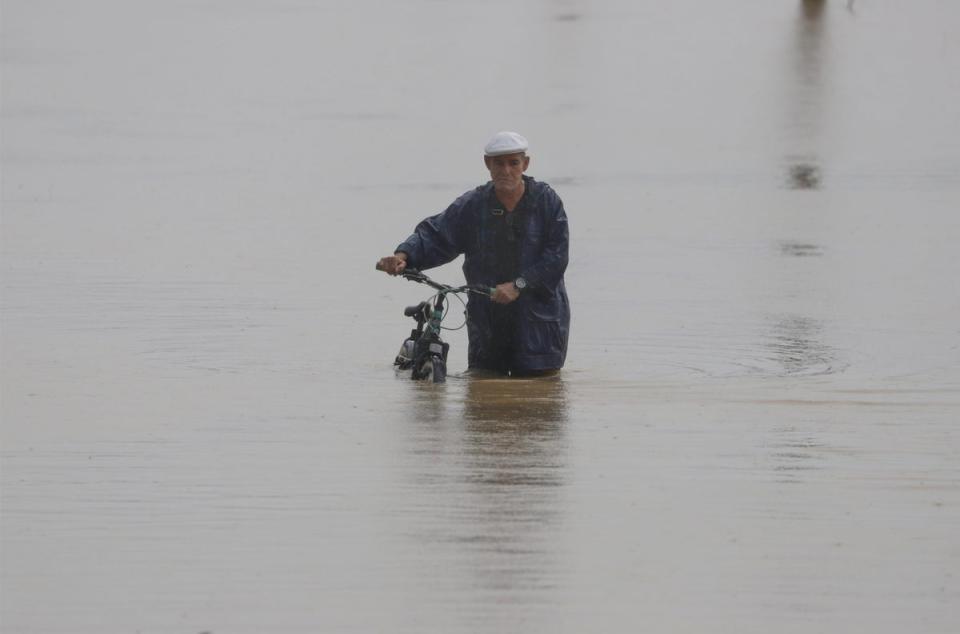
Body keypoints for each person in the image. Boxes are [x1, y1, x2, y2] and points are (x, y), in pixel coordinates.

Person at [377, 131, 570, 376]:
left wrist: (518, 285)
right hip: (487, 320)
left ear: (526, 164)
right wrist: (403, 256)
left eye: (514, 163)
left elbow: (556, 257)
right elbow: (436, 234)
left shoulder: (547, 202)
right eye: (499, 163)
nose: (506, 170)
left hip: (539, 323)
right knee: (482, 391)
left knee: (539, 397)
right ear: (487, 165)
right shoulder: (474, 205)